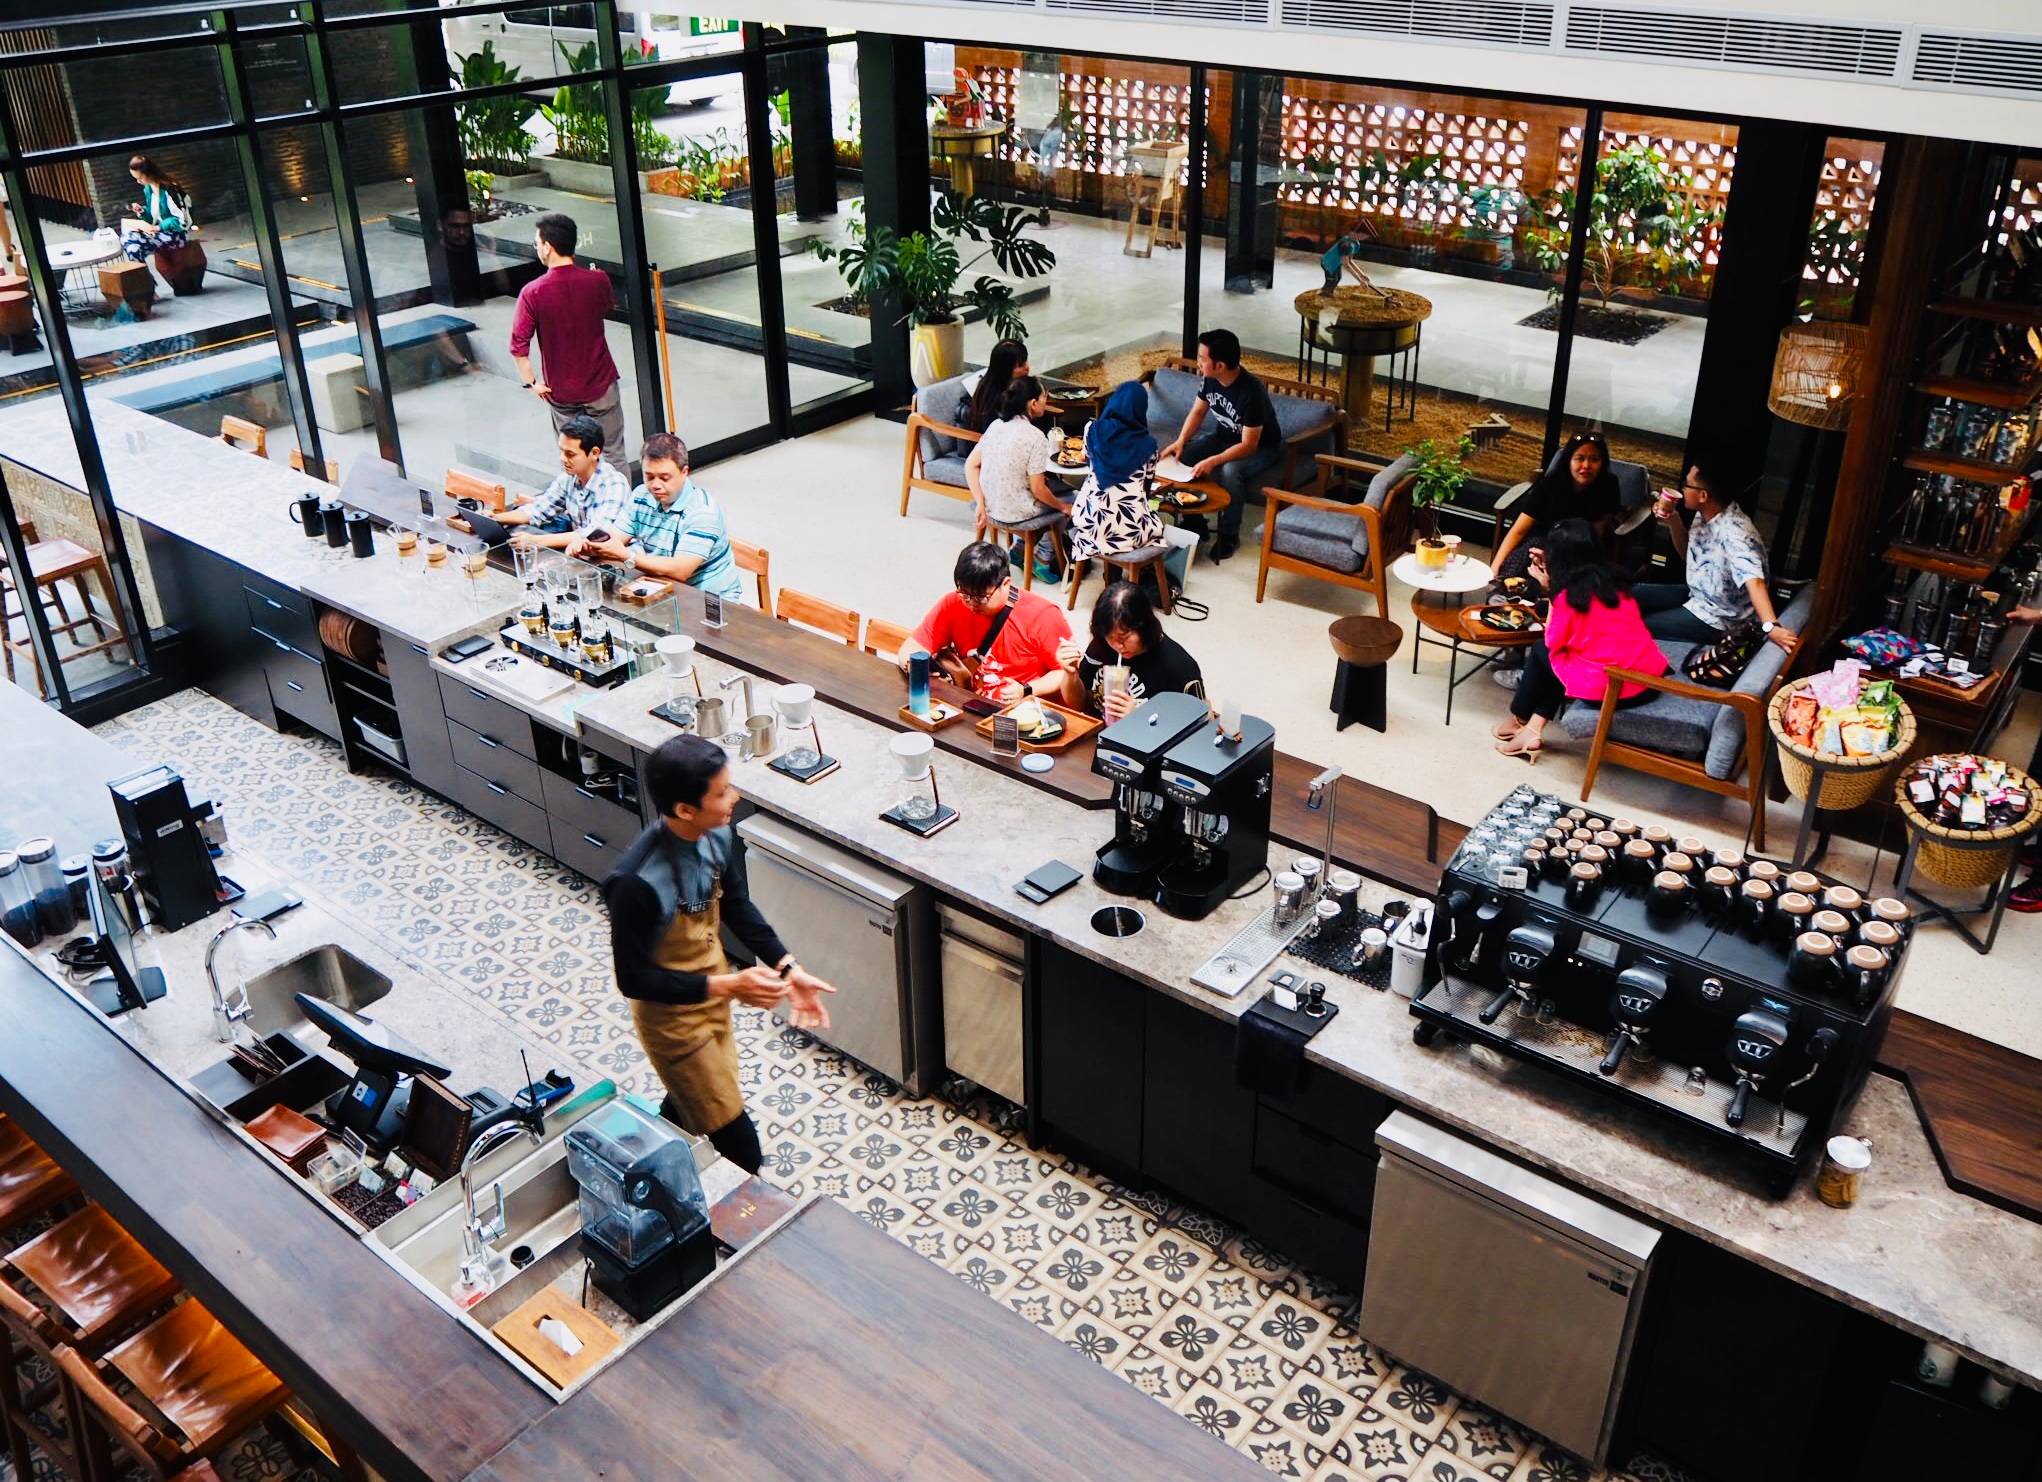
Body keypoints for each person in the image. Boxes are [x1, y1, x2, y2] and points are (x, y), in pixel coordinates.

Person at [605, 735, 835, 1173]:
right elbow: (633, 980)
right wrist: (729, 984)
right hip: (672, 1019)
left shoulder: (717, 835)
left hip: (714, 995)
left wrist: (788, 967)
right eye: (722, 792)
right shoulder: (635, 881)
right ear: (685, 809)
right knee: (737, 1138)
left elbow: (735, 905)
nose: (736, 797)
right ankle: (751, 1228)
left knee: (690, 1105)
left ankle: (635, 1173)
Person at [1493, 519, 1668, 763]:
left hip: (1619, 688)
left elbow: (1553, 640)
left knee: (1545, 651)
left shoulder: (1569, 597)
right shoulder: (1614, 580)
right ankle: (1531, 729)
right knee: (1564, 660)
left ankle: (1519, 719)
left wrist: (1549, 589)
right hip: (1647, 678)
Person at [510, 212, 627, 475]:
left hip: (561, 390)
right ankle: (619, 510)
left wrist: (531, 383)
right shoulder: (598, 280)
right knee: (613, 454)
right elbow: (605, 307)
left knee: (572, 458)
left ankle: (582, 513)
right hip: (600, 383)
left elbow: (519, 346)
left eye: (537, 243)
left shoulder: (532, 292)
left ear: (548, 247)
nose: (537, 248)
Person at [569, 432, 747, 602]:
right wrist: (589, 544)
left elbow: (681, 570)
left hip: (709, 600)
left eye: (664, 477)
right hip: (662, 587)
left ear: (685, 472)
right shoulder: (641, 496)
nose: (655, 485)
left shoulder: (703, 511)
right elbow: (615, 538)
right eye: (649, 476)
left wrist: (627, 556)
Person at [1638, 460, 1796, 649]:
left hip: (1721, 619)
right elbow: (1689, 557)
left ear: (1703, 495)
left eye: (1687, 485)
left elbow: (1755, 581)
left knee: (1640, 625)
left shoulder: (1735, 534)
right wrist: (1674, 521)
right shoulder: (1706, 513)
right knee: (1628, 595)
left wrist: (1771, 626)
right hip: (1699, 596)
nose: (1682, 489)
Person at [1158, 328, 1281, 562]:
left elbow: (1248, 445)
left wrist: (1213, 460)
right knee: (1183, 457)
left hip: (1262, 448)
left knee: (1230, 471)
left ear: (1220, 365)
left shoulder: (1252, 393)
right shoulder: (1210, 379)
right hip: (1223, 438)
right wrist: (1181, 441)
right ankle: (1195, 523)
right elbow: (1198, 411)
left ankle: (1229, 535)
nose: (1198, 362)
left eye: (1203, 359)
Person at [901, 541, 1072, 702]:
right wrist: (916, 667)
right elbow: (911, 647)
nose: (971, 604)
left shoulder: (1043, 615)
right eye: (965, 595)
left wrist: (1026, 689)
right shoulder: (952, 603)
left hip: (1022, 710)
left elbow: (1066, 673)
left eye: (981, 598)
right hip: (971, 703)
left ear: (1006, 584)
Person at [1057, 581, 1203, 721]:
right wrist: (1070, 675)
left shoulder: (1180, 667)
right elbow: (1079, 705)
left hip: (1145, 744)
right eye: (1110, 637)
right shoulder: (1102, 644)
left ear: (1144, 625)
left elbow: (1198, 726)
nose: (1117, 646)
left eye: (1124, 637)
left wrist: (1140, 719)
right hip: (1097, 735)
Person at [966, 377, 1068, 575]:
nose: (1046, 401)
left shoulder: (995, 425)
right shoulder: (1036, 437)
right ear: (1033, 403)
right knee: (1071, 499)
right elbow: (1038, 490)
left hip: (991, 505)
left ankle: (1020, 549)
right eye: (1044, 396)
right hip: (1017, 512)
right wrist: (1064, 507)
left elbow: (971, 465)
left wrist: (980, 502)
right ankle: (1043, 557)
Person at [1490, 431, 1622, 583]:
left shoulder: (1608, 485)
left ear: (1602, 462)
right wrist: (1494, 568)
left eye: (1594, 459)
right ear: (1569, 460)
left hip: (1577, 550)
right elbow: (1519, 530)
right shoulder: (1551, 483)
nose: (1586, 466)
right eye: (1580, 458)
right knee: (1526, 560)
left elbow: (1595, 536)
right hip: (1538, 544)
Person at [499, 415, 631, 550]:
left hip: (613, 560)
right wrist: (494, 518)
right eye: (561, 451)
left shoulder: (614, 485)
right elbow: (539, 510)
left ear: (594, 453)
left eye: (570, 454)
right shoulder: (568, 477)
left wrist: (536, 541)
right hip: (579, 551)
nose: (562, 458)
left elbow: (595, 534)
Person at [1069, 382, 1164, 563]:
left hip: (1092, 524)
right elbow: (1146, 489)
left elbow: (1086, 458)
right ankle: (1129, 577)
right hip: (1131, 531)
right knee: (1155, 520)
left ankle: (1108, 574)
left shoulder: (1092, 430)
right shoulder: (1149, 446)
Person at [119, 156, 192, 268]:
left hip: (176, 235)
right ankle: (144, 279)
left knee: (133, 248)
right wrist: (142, 211)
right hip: (160, 233)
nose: (138, 182)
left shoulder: (170, 189)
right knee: (127, 239)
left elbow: (182, 221)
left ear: (149, 173)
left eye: (140, 178)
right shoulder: (149, 189)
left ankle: (144, 280)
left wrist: (158, 227)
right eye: (136, 178)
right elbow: (153, 218)